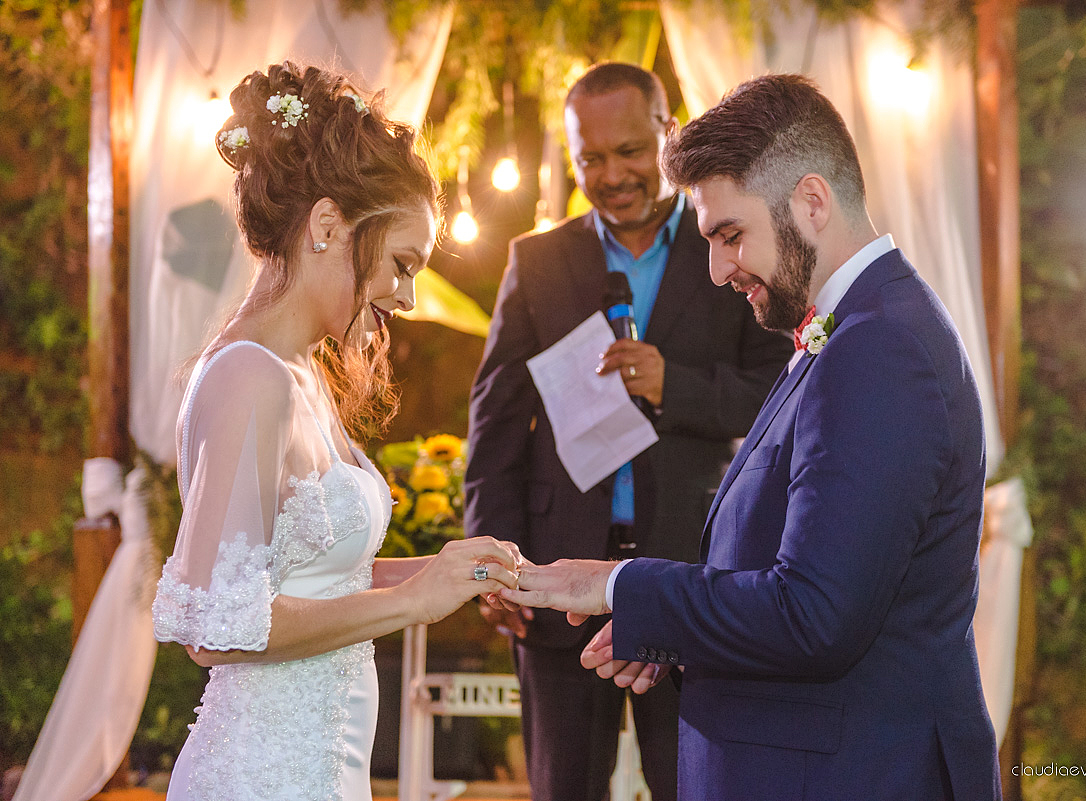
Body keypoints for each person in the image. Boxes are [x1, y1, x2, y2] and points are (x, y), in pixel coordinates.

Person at [502, 73, 1003, 801]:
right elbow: (794, 562)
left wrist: (616, 584)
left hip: (847, 774)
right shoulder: (854, 327)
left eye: (730, 236)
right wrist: (670, 629)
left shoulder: (878, 348)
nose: (717, 270)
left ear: (811, 202)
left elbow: (815, 615)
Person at [150, 62, 522, 801]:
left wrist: (445, 572)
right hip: (263, 777)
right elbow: (217, 626)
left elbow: (318, 581)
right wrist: (412, 602)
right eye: (402, 264)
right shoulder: (248, 377)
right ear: (327, 226)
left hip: (323, 769)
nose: (408, 297)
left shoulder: (301, 373)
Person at [464, 62, 792, 801]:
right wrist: (492, 561)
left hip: (692, 574)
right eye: (591, 159)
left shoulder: (730, 244)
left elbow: (782, 394)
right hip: (556, 582)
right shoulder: (538, 261)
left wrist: (677, 387)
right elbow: (495, 422)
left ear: (668, 133)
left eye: (630, 152)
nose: (611, 176)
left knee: (697, 785)